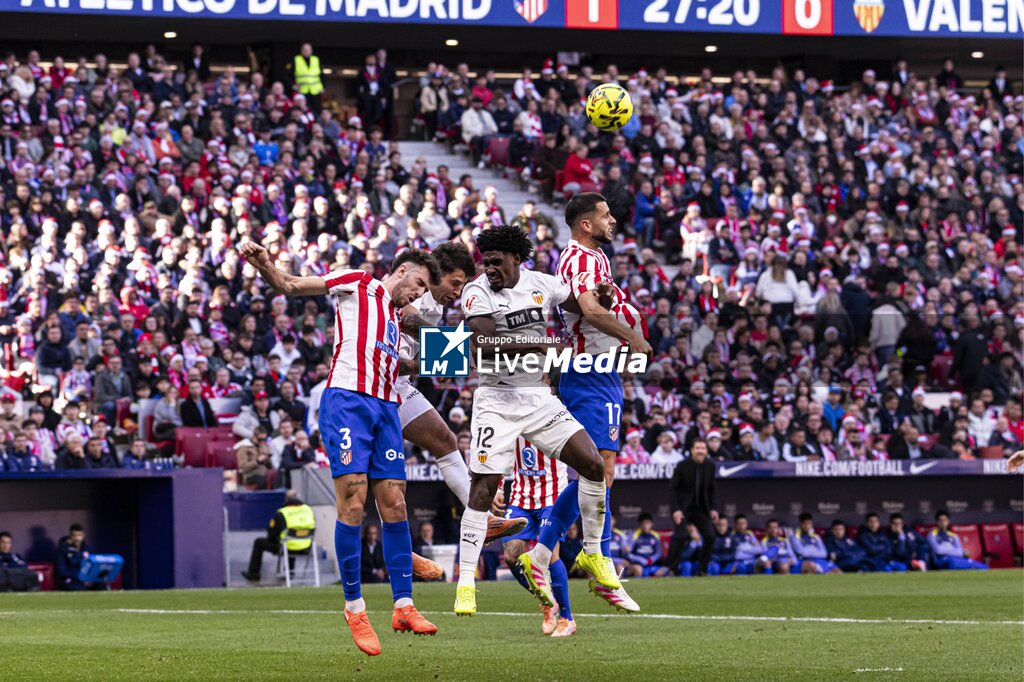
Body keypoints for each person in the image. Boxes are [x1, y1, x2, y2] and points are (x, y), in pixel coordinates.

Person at [241, 240, 440, 656]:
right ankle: (355, 608)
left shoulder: (402, 320)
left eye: (424, 291)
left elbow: (422, 364)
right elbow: (291, 285)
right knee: (353, 500)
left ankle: (403, 605)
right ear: (401, 270)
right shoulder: (357, 282)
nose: (418, 294)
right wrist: (265, 264)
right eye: (418, 284)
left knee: (395, 504)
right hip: (348, 399)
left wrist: (438, 340)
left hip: (386, 405)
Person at [453, 225, 622, 618]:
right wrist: (541, 343)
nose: (489, 268)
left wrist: (601, 297)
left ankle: (595, 555)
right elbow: (484, 340)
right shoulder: (476, 291)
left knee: (594, 465)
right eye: (486, 261)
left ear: (516, 258)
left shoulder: (543, 283)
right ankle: (464, 582)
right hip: (495, 399)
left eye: (496, 261)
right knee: (484, 487)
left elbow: (583, 306)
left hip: (537, 396)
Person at [524, 193, 650, 613]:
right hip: (590, 369)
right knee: (600, 467)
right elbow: (590, 311)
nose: (612, 220)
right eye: (605, 215)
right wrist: (633, 336)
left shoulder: (594, 259)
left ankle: (546, 556)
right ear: (584, 223)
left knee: (599, 470)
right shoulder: (582, 258)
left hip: (600, 369)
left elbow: (593, 303)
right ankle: (596, 559)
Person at [395, 242, 525, 545]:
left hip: (396, 383)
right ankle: (398, 551)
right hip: (371, 387)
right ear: (436, 274)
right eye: (455, 283)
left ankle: (482, 520)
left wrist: (435, 360)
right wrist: (449, 346)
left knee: (445, 440)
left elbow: (408, 363)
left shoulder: (437, 306)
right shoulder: (417, 290)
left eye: (463, 285)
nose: (457, 291)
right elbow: (408, 319)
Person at [498, 438, 575, 637]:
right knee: (511, 556)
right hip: (521, 497)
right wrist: (498, 487)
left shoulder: (556, 412)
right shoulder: (512, 414)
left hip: (553, 496)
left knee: (549, 556)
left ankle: (567, 618)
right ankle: (547, 601)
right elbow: (499, 448)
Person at [666, 439, 717, 576]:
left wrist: (713, 508)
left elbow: (711, 489)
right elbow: (672, 489)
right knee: (681, 535)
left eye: (703, 448)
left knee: (710, 536)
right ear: (692, 450)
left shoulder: (710, 466)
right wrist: (676, 509)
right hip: (683, 508)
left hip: (701, 508)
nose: (700, 451)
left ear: (706, 451)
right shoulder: (682, 466)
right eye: (697, 448)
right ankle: (673, 568)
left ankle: (702, 569)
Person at [242, 490, 316, 582]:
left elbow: (272, 534)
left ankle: (253, 574)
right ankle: (290, 573)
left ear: (286, 499)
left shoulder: (282, 513)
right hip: (306, 547)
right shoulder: (308, 509)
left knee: (259, 542)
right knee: (290, 538)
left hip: (286, 547)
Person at [56, 523, 98, 591]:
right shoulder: (62, 549)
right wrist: (81, 578)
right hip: (71, 579)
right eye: (74, 535)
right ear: (70, 536)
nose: (77, 538)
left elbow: (92, 567)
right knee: (78, 587)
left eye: (79, 535)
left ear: (83, 535)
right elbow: (62, 571)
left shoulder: (87, 549)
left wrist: (89, 579)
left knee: (101, 585)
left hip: (86, 579)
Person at [292, 43, 323, 114]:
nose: (306, 51)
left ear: (311, 51)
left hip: (316, 90)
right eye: (304, 49)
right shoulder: (296, 60)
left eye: (308, 50)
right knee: (304, 109)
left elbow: (321, 75)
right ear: (301, 51)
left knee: (317, 110)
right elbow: (287, 74)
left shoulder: (316, 60)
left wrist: (323, 87)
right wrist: (292, 85)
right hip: (302, 90)